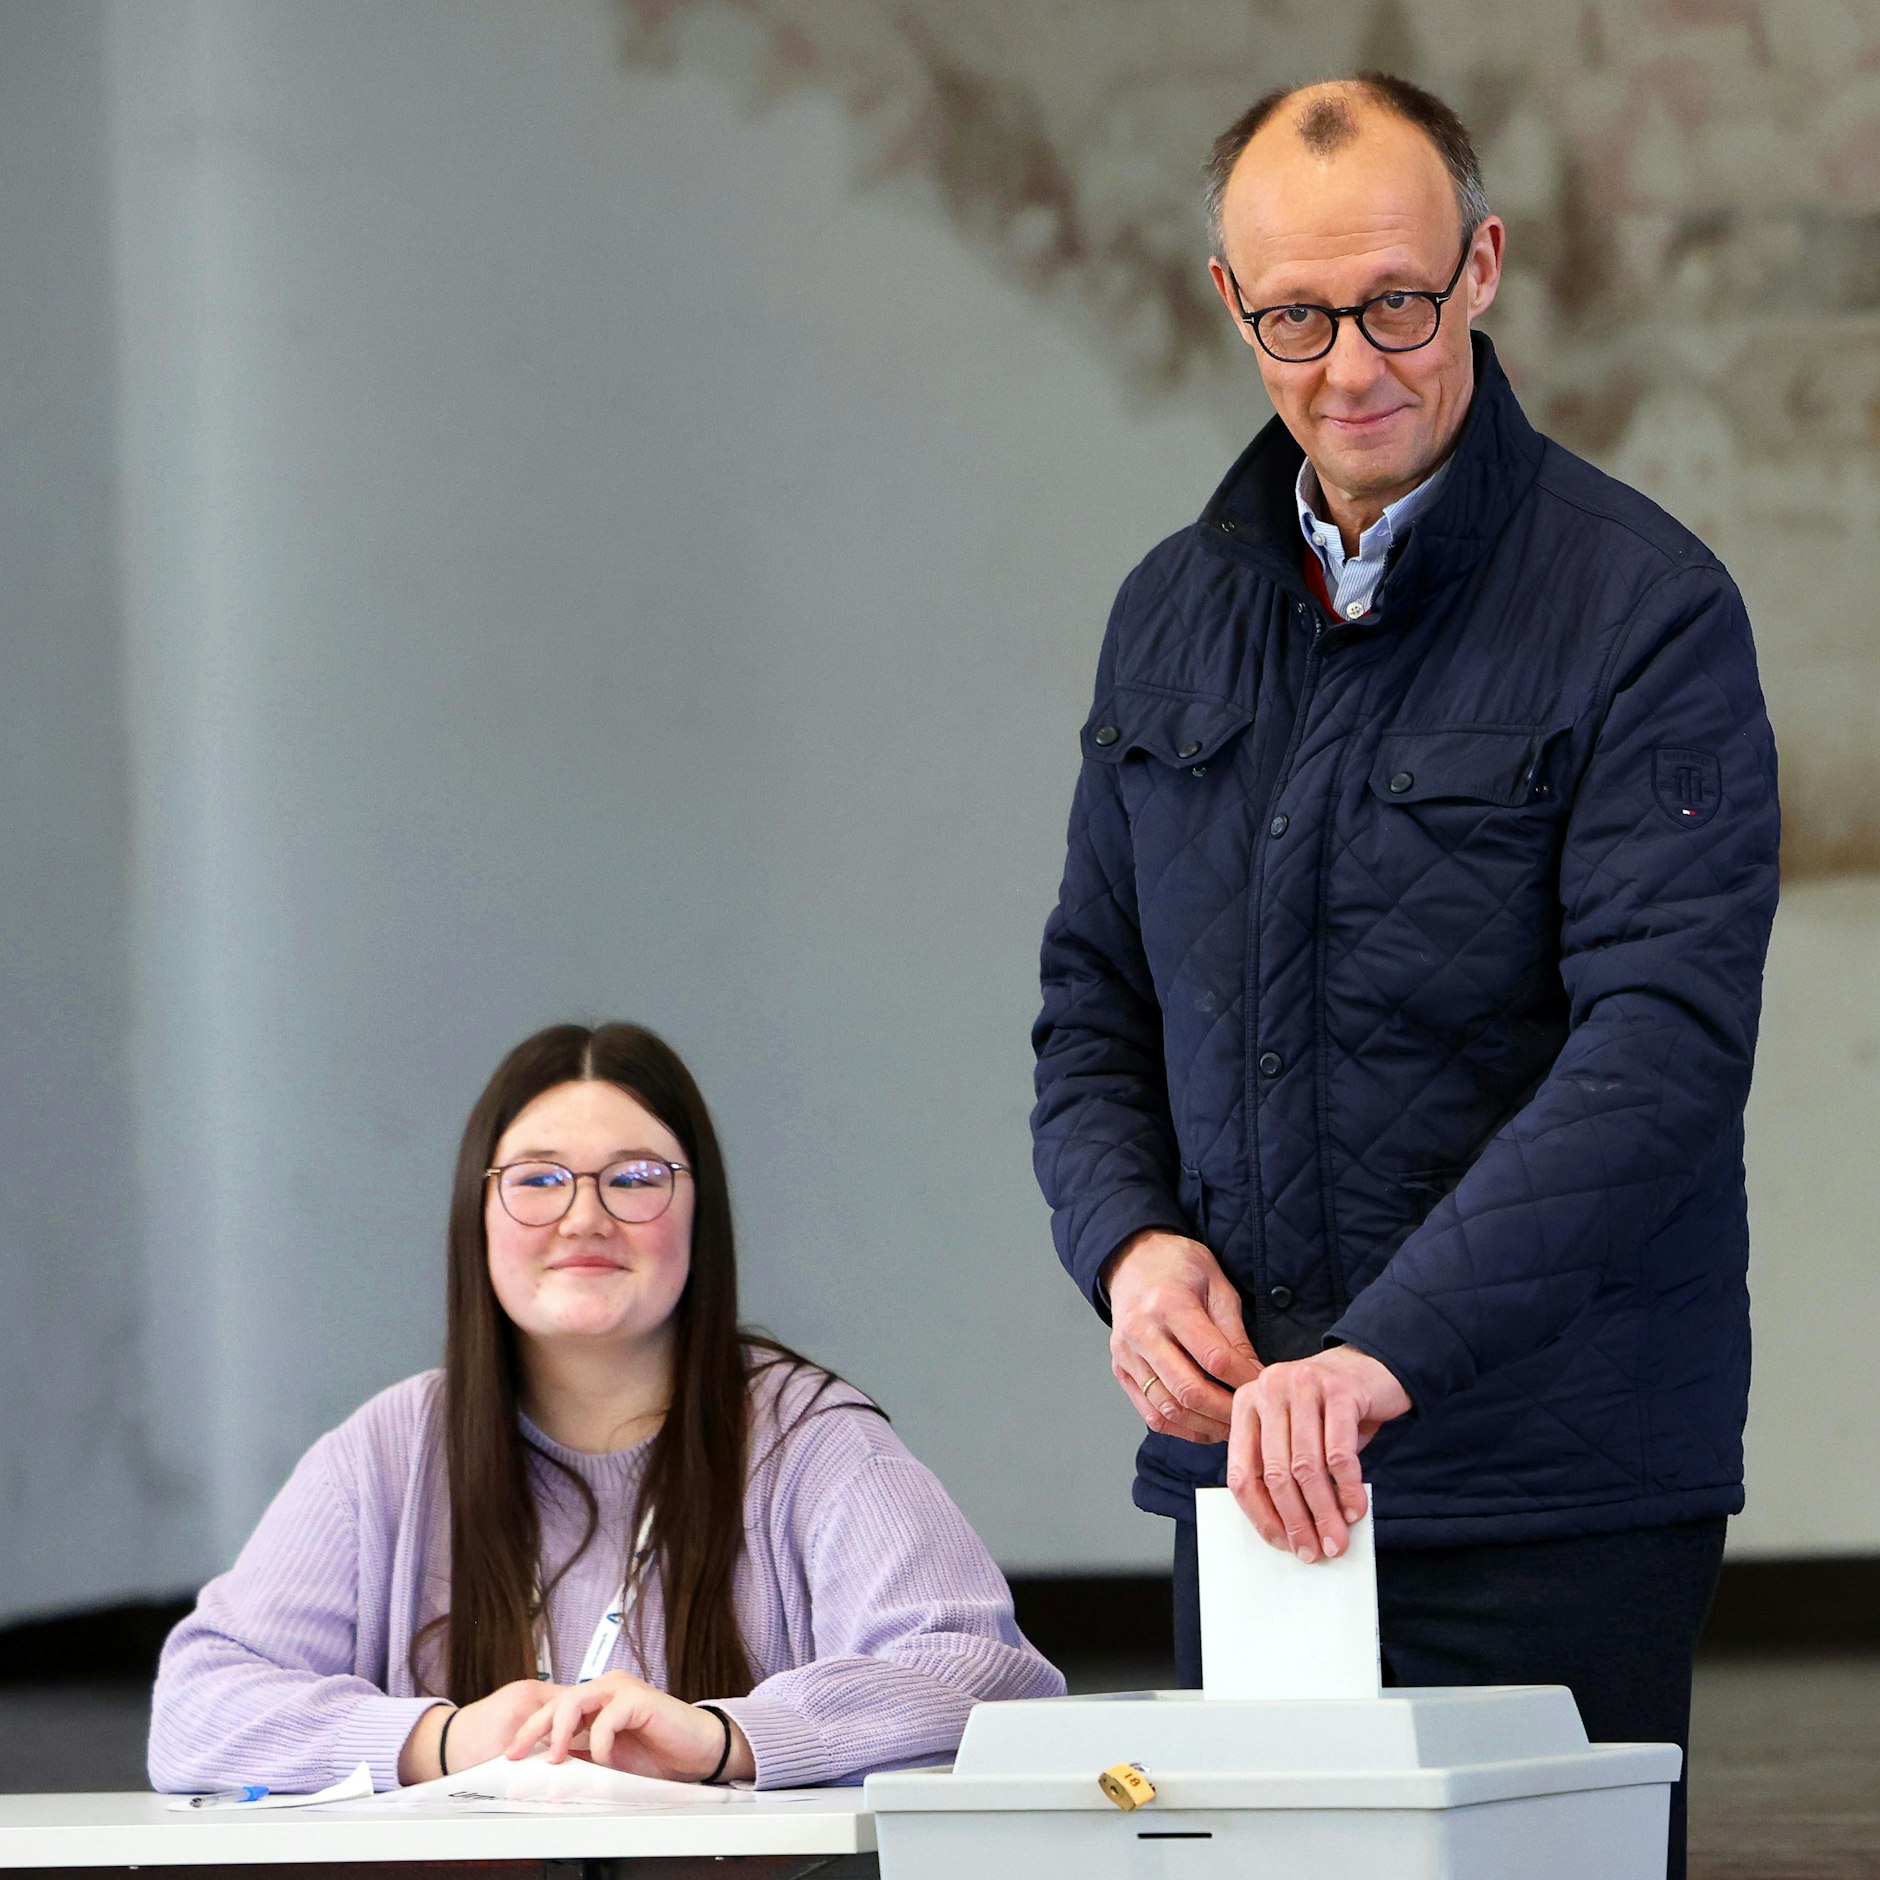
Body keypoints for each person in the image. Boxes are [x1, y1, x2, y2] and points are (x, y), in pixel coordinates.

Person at [1030, 72, 1778, 1880]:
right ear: (1230, 303)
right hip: (1251, 1493)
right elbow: (1092, 1008)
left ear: (1484, 268)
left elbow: (1661, 1055)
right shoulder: (1168, 613)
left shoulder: (1646, 611)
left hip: (1552, 1487)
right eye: (1297, 316)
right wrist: (1128, 1249)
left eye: (1399, 304)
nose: (1352, 364)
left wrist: (1384, 1356)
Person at [151, 1022, 1062, 1794]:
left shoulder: (810, 1439)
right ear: (478, 1215)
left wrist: (726, 1739)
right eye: (538, 1179)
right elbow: (194, 1709)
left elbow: (990, 1679)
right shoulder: (389, 1451)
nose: (584, 1216)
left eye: (633, 1178)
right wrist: (440, 1741)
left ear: (700, 1214)